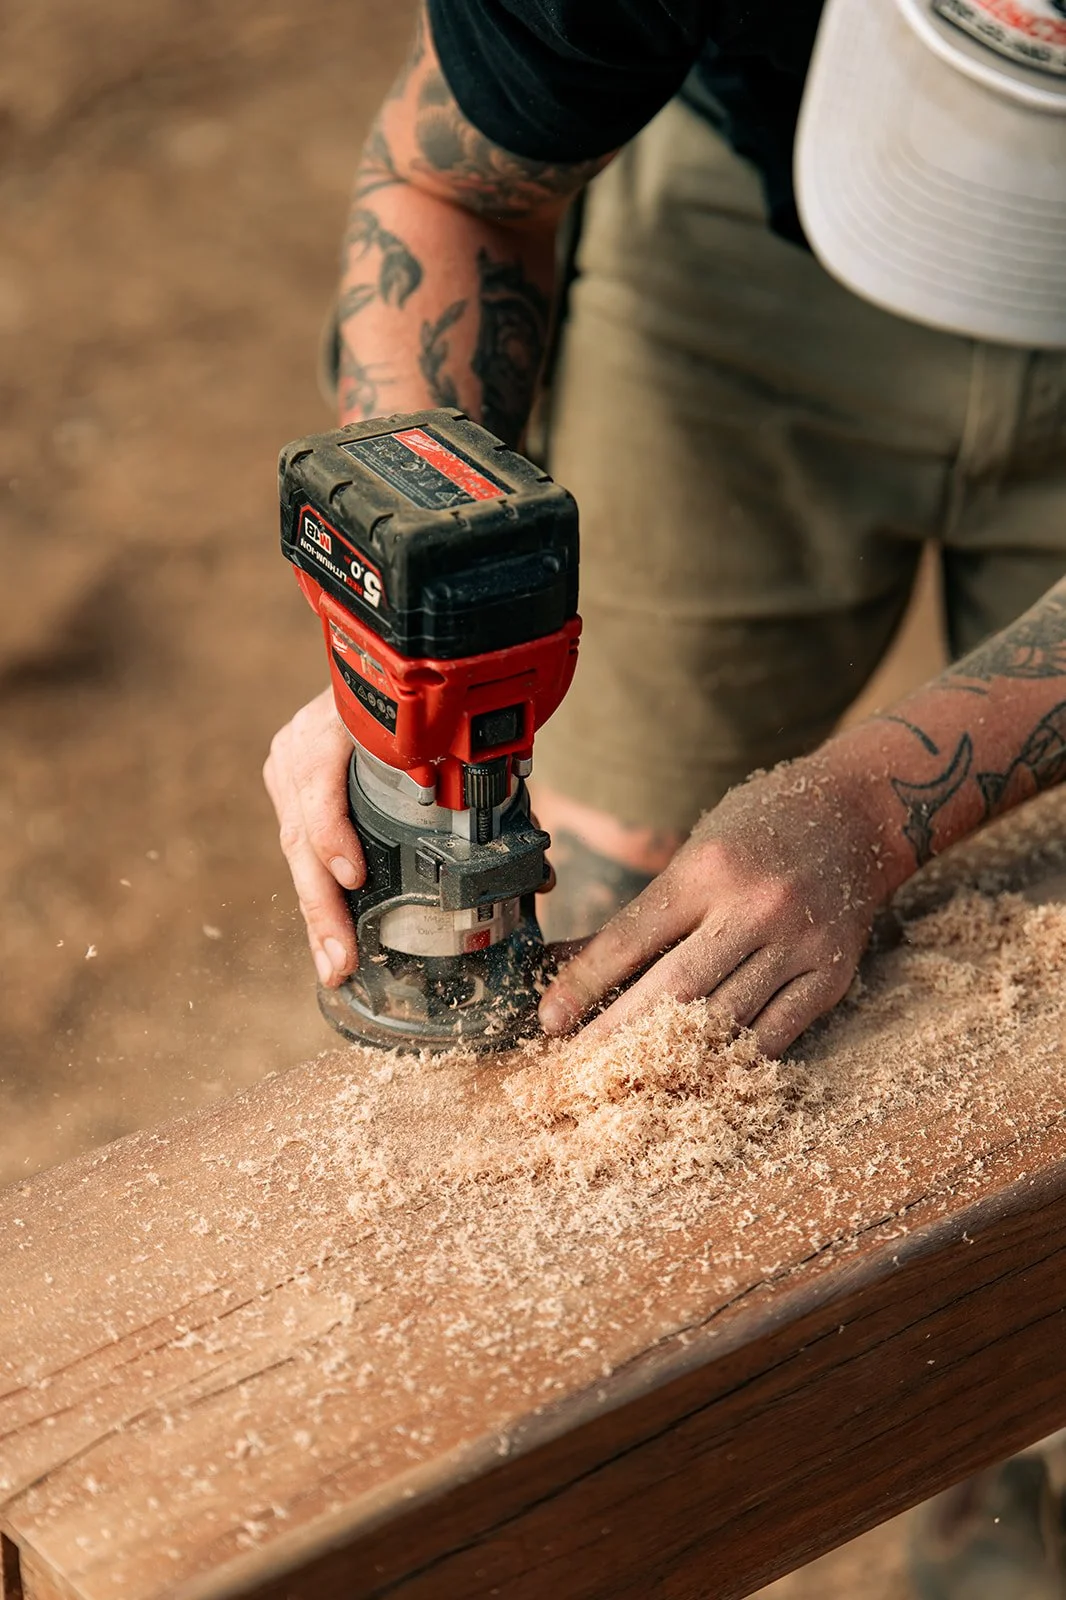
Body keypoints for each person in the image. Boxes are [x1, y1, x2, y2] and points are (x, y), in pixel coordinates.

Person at [262, 1, 1066, 1590]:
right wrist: (410, 606)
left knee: (1031, 983)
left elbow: (871, 825)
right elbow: (454, 187)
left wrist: (870, 807)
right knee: (648, 912)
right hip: (745, 242)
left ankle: (1001, 1478)